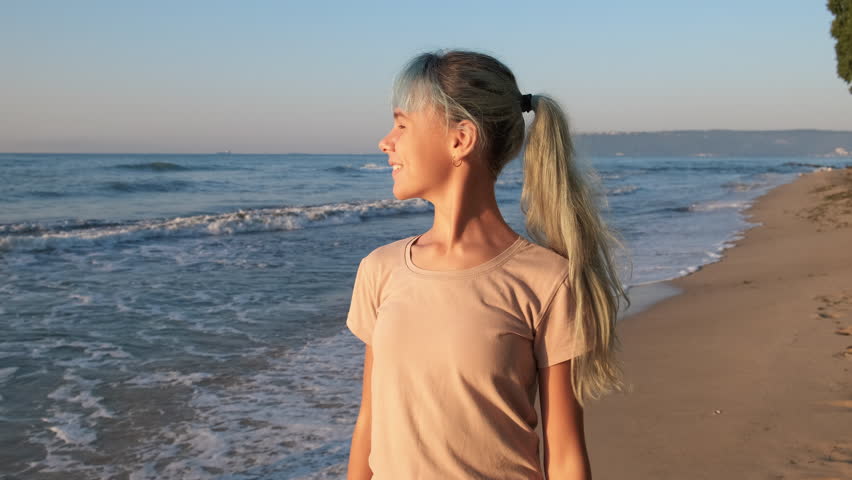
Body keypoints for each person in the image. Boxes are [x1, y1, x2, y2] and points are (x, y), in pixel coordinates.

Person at [345, 49, 631, 480]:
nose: (386, 141)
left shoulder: (546, 281)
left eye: (402, 124)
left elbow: (567, 452)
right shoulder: (380, 271)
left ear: (460, 139)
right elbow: (369, 422)